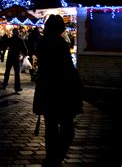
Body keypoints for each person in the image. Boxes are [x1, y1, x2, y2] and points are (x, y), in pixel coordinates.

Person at [33, 14, 83, 166]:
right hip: (62, 90)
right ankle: (57, 156)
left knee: (51, 126)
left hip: (47, 90)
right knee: (67, 127)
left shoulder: (42, 43)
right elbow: (67, 69)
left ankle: (51, 156)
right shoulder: (60, 44)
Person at [2, 28, 27, 92]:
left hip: (10, 57)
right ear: (18, 33)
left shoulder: (10, 39)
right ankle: (17, 87)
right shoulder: (20, 40)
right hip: (16, 57)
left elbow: (4, 45)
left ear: (13, 33)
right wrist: (24, 54)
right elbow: (25, 50)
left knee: (7, 71)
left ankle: (4, 84)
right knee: (17, 73)